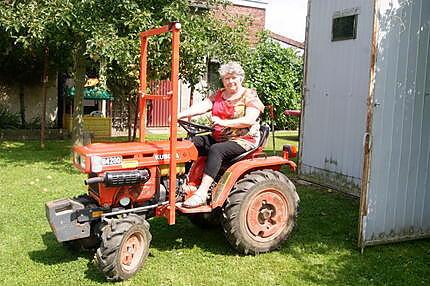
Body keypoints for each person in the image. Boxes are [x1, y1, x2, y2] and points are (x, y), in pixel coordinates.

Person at [178, 61, 264, 208]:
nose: (230, 81)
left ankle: (202, 193)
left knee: (216, 150)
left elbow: (249, 119)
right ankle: (184, 184)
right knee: (190, 143)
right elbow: (203, 106)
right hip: (219, 137)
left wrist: (223, 122)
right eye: (226, 78)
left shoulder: (249, 95)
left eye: (233, 77)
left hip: (243, 139)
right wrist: (180, 114)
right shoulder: (219, 94)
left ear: (240, 78)